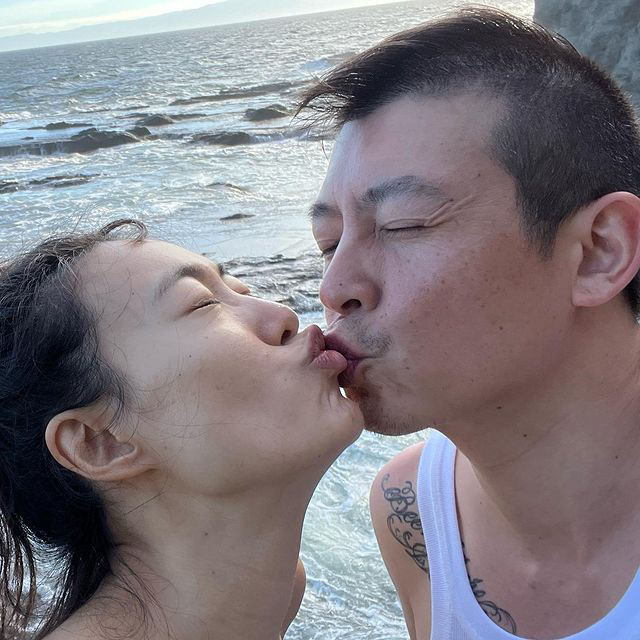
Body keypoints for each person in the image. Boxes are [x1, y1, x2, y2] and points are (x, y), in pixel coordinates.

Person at [297, 7, 640, 640]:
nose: (334, 288)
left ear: (599, 251)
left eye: (402, 225)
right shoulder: (411, 511)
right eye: (328, 242)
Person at [0, 219, 363, 640]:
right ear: (101, 443)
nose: (283, 316)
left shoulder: (270, 600)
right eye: (202, 304)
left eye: (242, 291)